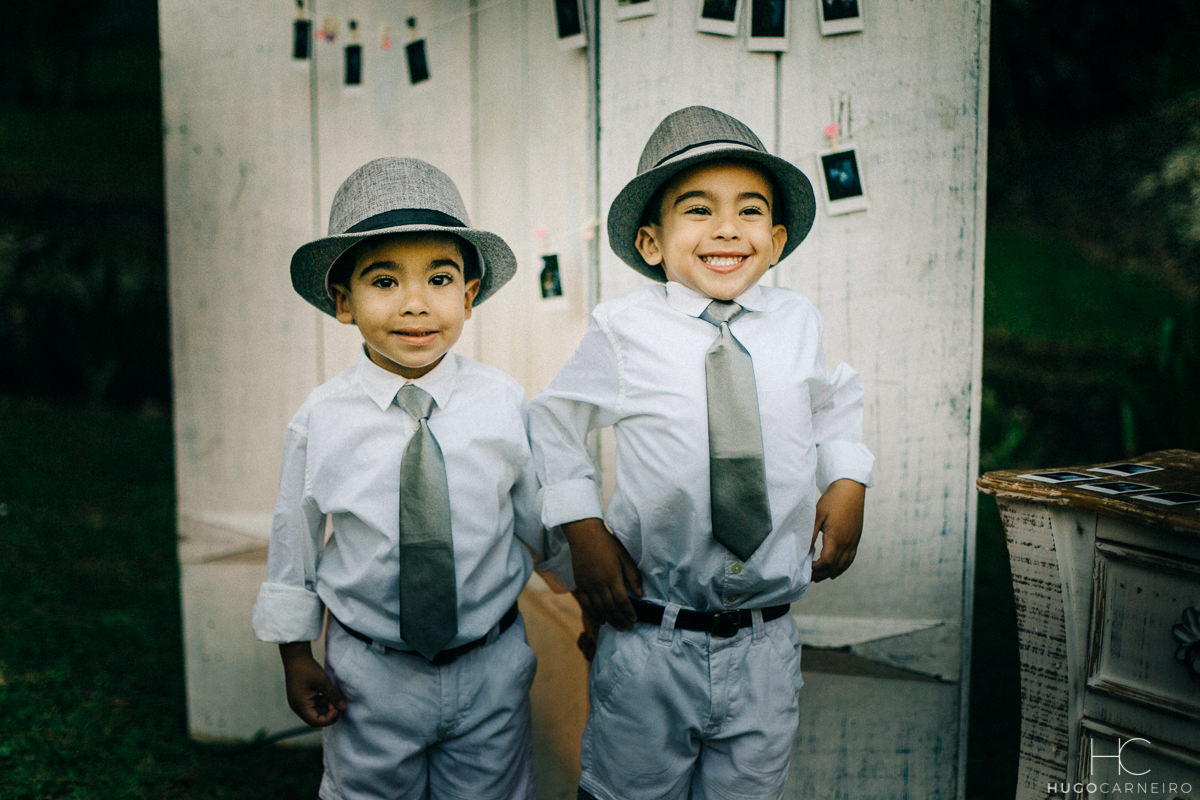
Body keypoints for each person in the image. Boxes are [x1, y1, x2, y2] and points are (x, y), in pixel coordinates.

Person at [528, 106, 875, 800]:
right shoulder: (625, 330)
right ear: (652, 242)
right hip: (652, 638)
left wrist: (846, 479)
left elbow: (833, 401)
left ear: (775, 240)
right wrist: (584, 531)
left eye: (750, 211)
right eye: (698, 210)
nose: (726, 228)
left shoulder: (794, 322)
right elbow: (553, 423)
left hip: (765, 643)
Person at [251, 157, 566, 800]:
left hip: (490, 662)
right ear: (343, 302)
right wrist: (295, 652)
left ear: (469, 296)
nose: (416, 303)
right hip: (370, 671)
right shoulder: (321, 419)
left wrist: (586, 596)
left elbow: (538, 520)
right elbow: (295, 539)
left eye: (440, 278)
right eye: (384, 280)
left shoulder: (503, 402)